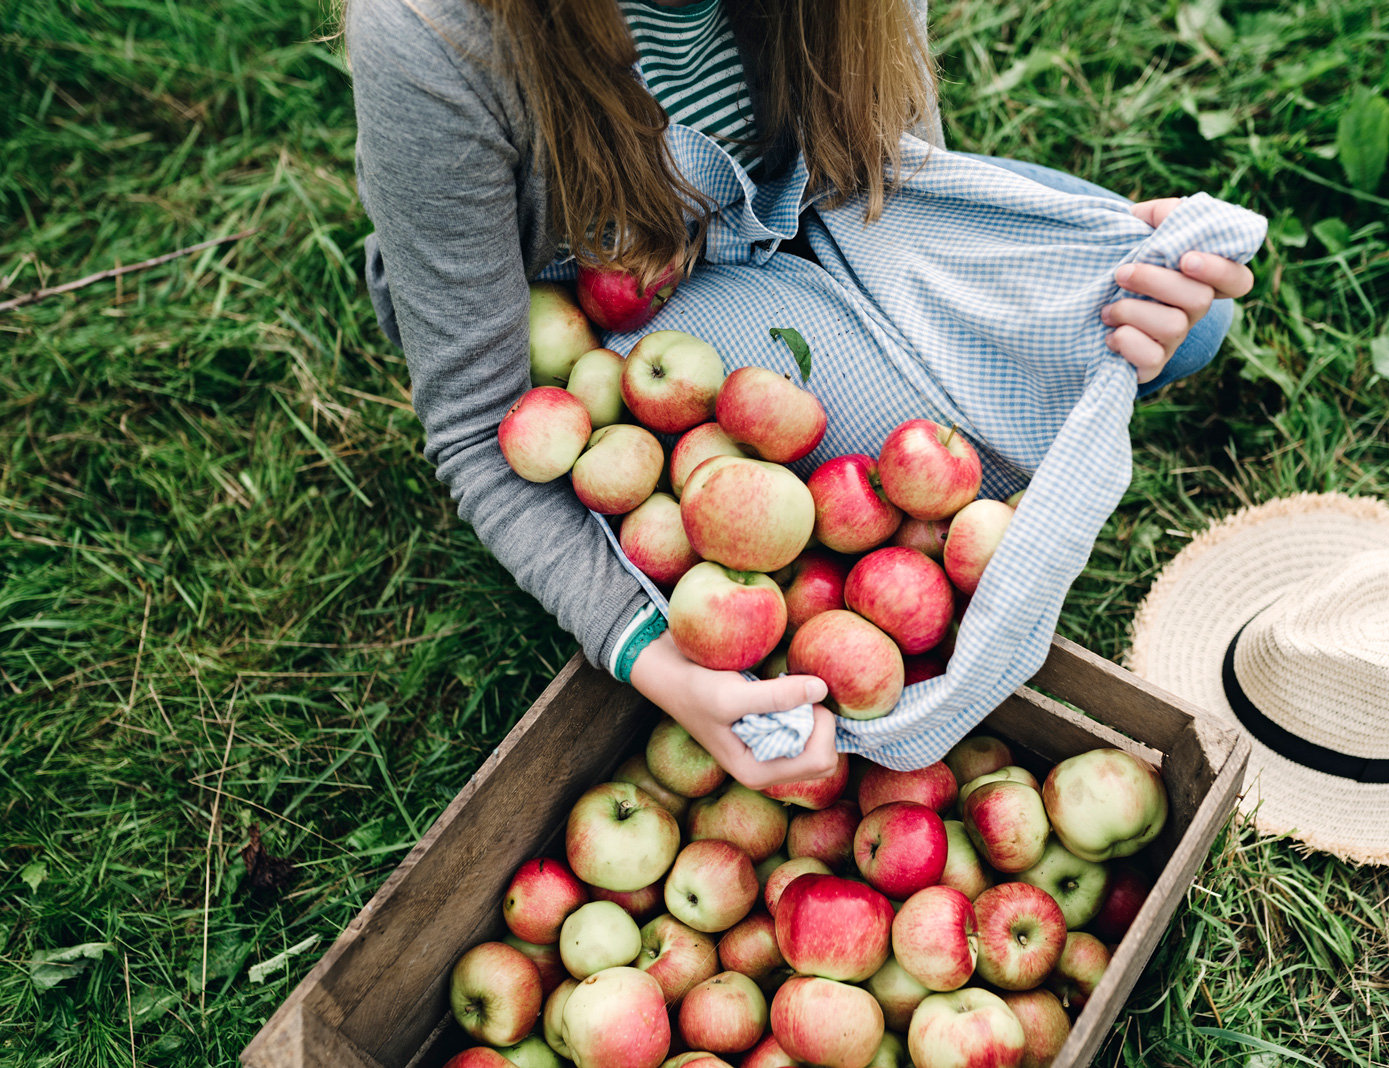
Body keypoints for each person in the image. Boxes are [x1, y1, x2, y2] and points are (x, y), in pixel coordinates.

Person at [344, 0, 1256, 789]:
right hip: (607, 277)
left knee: (1173, 318)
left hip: (810, 195)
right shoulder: (431, 30)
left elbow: (894, 168)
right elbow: (479, 428)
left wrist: (1052, 260)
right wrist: (653, 657)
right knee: (891, 490)